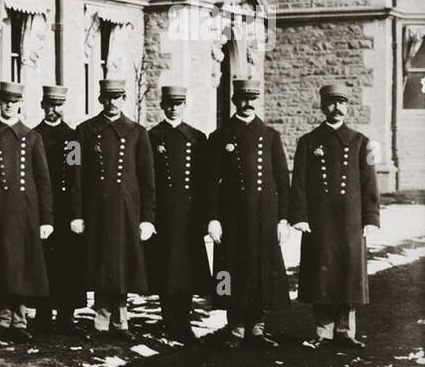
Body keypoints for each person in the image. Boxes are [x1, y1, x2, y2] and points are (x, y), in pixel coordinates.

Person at [289, 83, 380, 349]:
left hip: (351, 221)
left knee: (349, 274)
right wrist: (300, 215)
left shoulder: (360, 142)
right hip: (320, 222)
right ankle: (322, 331)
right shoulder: (308, 142)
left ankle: (345, 330)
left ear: (347, 106)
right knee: (322, 275)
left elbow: (369, 184)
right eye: (331, 102)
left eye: (342, 102)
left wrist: (371, 218)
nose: (337, 108)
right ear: (322, 106)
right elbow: (300, 183)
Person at [205, 78, 290, 348]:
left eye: (253, 98)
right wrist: (213, 218)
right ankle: (235, 329)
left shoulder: (270, 136)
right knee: (231, 270)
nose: (248, 103)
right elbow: (210, 183)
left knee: (261, 270)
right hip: (232, 218)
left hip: (264, 216)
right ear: (234, 101)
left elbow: (281, 181)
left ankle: (257, 328)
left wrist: (283, 218)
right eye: (243, 98)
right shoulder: (219, 136)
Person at [0, 82, 53, 342]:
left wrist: (46, 218)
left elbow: (43, 181)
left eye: (14, 101)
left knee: (22, 267)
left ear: (20, 103)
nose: (9, 105)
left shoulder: (32, 137)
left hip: (26, 213)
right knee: (1, 266)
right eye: (5, 100)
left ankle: (20, 319)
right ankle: (2, 318)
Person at [75, 79, 155, 336]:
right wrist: (76, 214)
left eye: (117, 97)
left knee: (122, 266)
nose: (112, 102)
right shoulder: (83, 131)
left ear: (124, 99)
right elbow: (73, 175)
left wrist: (147, 218)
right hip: (96, 210)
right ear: (100, 100)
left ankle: (121, 321)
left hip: (126, 211)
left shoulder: (137, 132)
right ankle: (100, 321)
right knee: (101, 265)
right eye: (107, 98)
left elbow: (147, 179)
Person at [145, 86, 212, 343]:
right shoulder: (153, 136)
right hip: (163, 215)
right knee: (165, 270)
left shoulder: (196, 137)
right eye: (170, 104)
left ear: (185, 105)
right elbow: (149, 179)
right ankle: (168, 322)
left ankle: (184, 323)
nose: (174, 108)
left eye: (179, 103)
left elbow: (204, 180)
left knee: (186, 271)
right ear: (162, 106)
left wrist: (205, 216)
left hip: (188, 215)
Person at [33, 85, 85, 333]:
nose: (55, 110)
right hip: (40, 208)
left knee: (68, 263)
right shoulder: (34, 135)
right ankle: (42, 315)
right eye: (50, 105)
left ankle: (66, 316)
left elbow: (75, 176)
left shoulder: (72, 138)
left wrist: (76, 213)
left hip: (65, 209)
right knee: (42, 262)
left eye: (59, 105)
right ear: (42, 105)